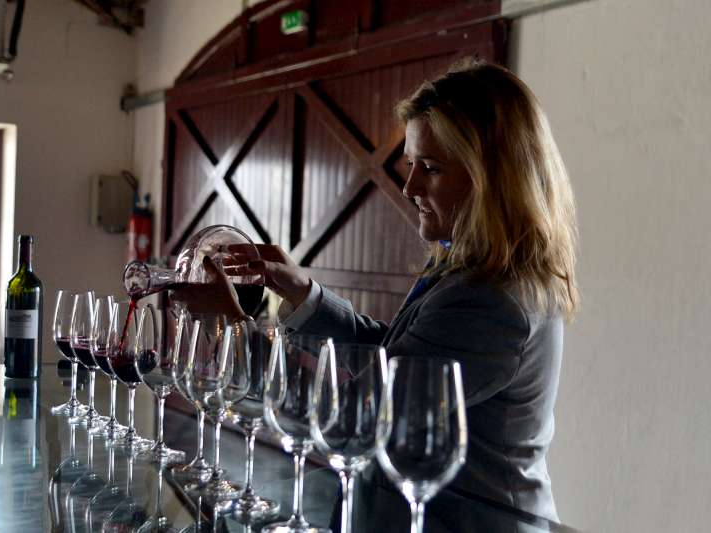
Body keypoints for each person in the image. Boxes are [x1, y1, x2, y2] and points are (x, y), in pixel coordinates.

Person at [186, 58, 578, 530]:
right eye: (411, 164)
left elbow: (366, 411)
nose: (409, 185)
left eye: (430, 168)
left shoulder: (494, 298)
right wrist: (304, 293)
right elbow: (397, 362)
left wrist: (232, 328)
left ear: (493, 178)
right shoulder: (470, 265)